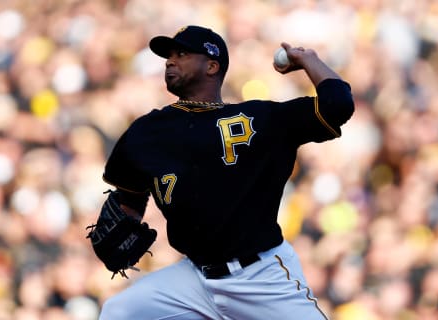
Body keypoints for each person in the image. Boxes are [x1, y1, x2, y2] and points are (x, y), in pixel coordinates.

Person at [98, 25, 354, 320]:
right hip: (194, 279)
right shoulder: (147, 131)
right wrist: (126, 217)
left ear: (212, 65)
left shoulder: (261, 119)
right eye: (168, 55)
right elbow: (130, 195)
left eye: (181, 53)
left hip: (260, 276)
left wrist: (308, 59)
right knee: (118, 312)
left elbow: (338, 104)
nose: (170, 61)